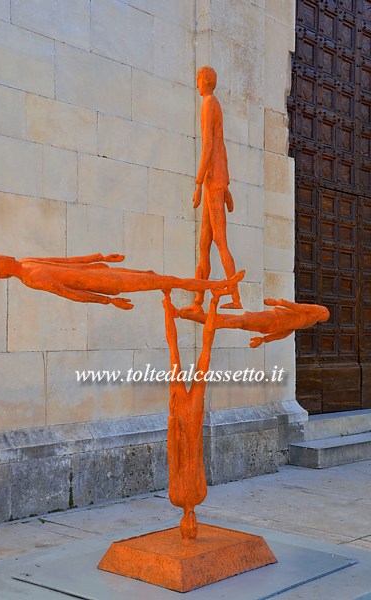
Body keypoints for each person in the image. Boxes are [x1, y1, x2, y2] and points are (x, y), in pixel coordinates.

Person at [0, 252, 245, 311]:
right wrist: (110, 300)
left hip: (102, 271)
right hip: (108, 284)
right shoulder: (32, 278)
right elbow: (73, 294)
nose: (2, 255)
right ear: (3, 269)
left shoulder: (28, 261)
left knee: (154, 276)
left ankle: (217, 285)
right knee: (170, 279)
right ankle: (219, 285)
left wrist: (100, 256)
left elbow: (67, 261)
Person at [162, 288, 220, 539]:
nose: (192, 521)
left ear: (183, 525)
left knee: (174, 354)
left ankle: (167, 303)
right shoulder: (200, 495)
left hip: (181, 417)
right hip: (194, 417)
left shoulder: (176, 497)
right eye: (194, 525)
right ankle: (214, 303)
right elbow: (199, 452)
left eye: (190, 525)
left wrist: (173, 420)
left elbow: (172, 454)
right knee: (204, 356)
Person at [191, 66, 242, 310]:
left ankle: (235, 296)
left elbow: (210, 146)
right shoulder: (212, 104)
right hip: (217, 179)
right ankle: (199, 299)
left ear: (206, 80)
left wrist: (199, 183)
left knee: (219, 240)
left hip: (212, 181)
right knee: (204, 242)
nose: (197, 83)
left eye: (199, 79)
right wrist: (227, 187)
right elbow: (222, 149)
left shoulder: (209, 104)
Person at [179, 295, 330, 347]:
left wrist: (278, 302)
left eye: (321, 310)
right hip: (270, 324)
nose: (319, 309)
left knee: (239, 320)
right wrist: (264, 339)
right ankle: (186, 315)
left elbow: (297, 307)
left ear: (321, 314)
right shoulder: (306, 321)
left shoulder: (311, 314)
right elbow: (286, 332)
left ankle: (214, 323)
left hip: (272, 320)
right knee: (235, 320)